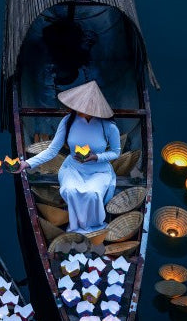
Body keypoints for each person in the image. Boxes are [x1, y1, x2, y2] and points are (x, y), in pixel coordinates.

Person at [16, 81, 120, 233]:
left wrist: (96, 157)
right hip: (73, 168)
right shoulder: (68, 121)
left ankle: (91, 226)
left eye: (83, 107)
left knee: (93, 194)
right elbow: (52, 150)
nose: (77, 109)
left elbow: (116, 152)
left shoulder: (109, 127)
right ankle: (77, 224)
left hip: (99, 170)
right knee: (70, 190)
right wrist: (27, 163)